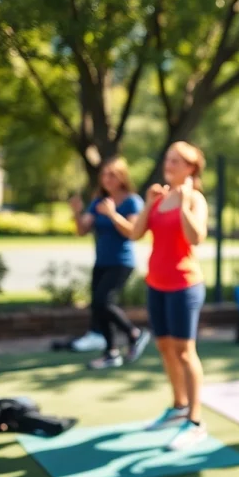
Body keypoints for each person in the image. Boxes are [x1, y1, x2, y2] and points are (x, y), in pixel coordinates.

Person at [130, 141, 211, 451]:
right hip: (157, 283)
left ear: (191, 168)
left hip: (185, 285)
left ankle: (195, 420)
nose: (170, 164)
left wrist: (184, 204)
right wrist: (150, 203)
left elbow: (196, 237)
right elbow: (136, 233)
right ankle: (178, 406)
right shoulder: (158, 197)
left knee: (185, 350)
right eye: (168, 159)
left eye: (177, 161)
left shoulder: (195, 199)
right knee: (164, 346)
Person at [68, 157, 152, 370]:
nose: (108, 179)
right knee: (98, 306)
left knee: (103, 301)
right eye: (105, 175)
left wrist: (113, 214)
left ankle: (134, 333)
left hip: (122, 262)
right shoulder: (98, 202)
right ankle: (111, 353)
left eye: (112, 175)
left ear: (122, 177)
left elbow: (134, 232)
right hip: (101, 261)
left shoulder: (132, 201)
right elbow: (81, 230)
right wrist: (77, 212)